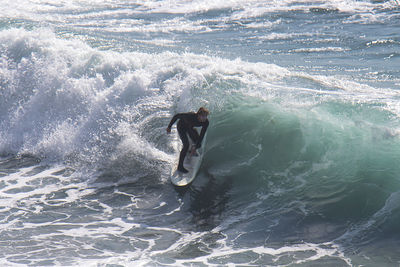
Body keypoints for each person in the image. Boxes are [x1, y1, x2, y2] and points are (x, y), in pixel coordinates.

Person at [166, 107, 209, 173]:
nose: (204, 118)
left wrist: (196, 146)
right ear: (198, 115)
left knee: (198, 144)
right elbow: (176, 116)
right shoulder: (190, 116)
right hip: (181, 127)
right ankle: (180, 167)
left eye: (206, 116)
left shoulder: (206, 122)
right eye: (203, 116)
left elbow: (201, 135)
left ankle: (191, 149)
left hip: (190, 128)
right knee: (186, 145)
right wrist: (169, 127)